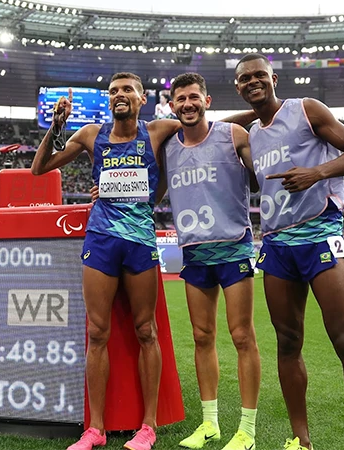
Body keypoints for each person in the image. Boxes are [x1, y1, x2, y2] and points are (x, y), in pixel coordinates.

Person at [31, 73, 181, 450]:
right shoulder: (90, 135)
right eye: (113, 91)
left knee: (146, 331)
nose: (119, 95)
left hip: (140, 241)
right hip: (101, 240)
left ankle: (148, 427)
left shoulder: (159, 130)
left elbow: (200, 131)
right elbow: (39, 168)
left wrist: (153, 195)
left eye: (127, 90)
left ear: (142, 98)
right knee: (97, 333)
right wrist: (56, 126)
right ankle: (94, 429)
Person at [234, 54, 344, 450]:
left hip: (319, 234)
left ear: (274, 78)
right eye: (245, 79)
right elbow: (215, 129)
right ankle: (301, 440)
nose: (253, 82)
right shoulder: (248, 136)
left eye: (259, 75)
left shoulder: (306, 110)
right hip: (277, 243)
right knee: (287, 341)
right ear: (239, 88)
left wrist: (317, 173)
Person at [161, 73, 261, 450]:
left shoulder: (233, 136)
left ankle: (247, 430)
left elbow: (260, 175)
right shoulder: (168, 147)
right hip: (194, 252)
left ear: (207, 100)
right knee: (202, 338)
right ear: (172, 106)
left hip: (233, 246)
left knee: (242, 336)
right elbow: (150, 193)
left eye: (193, 97)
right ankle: (210, 425)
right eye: (180, 99)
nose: (187, 104)